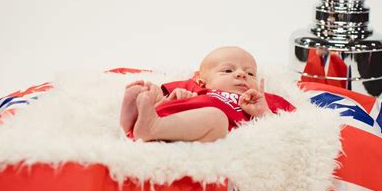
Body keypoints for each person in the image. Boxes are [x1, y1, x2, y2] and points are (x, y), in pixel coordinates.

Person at [120, 46, 295, 143]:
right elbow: (173, 93)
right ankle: (137, 120)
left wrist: (264, 113)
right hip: (175, 116)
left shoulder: (264, 99)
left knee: (217, 118)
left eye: (250, 74)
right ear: (202, 81)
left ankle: (148, 127)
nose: (242, 74)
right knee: (154, 95)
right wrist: (171, 97)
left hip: (207, 129)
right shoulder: (197, 87)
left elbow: (288, 129)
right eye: (228, 70)